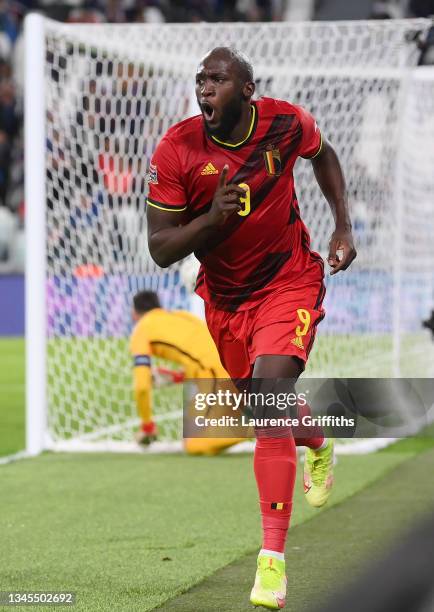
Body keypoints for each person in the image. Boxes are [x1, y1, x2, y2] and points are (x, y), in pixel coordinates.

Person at [146, 47, 356, 610]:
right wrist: (211, 219)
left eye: (217, 80)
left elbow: (323, 152)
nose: (205, 88)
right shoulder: (176, 149)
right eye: (200, 80)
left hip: (289, 280)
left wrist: (342, 224)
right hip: (224, 301)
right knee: (264, 406)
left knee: (266, 403)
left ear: (247, 90)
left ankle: (271, 563)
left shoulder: (286, 123)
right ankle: (317, 439)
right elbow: (160, 248)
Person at [130, 289, 244, 454]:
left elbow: (141, 386)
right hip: (233, 367)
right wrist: (178, 377)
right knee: (193, 435)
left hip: (214, 375)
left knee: (193, 445)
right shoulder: (182, 316)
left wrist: (147, 427)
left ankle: (262, 425)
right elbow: (205, 348)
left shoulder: (141, 330)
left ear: (134, 313)